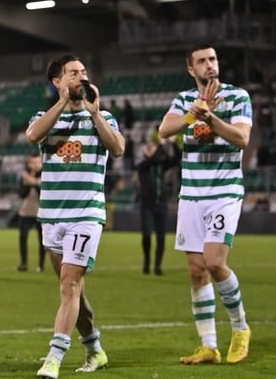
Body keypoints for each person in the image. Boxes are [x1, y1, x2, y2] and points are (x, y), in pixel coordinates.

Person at [26, 54, 125, 378]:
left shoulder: (102, 116)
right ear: (57, 81)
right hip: (52, 216)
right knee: (74, 293)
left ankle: (53, 358)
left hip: (86, 214)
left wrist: (95, 114)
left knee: (70, 285)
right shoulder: (45, 116)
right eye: (73, 73)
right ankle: (95, 350)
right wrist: (64, 103)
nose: (81, 77)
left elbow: (119, 147)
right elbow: (33, 136)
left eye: (83, 72)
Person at [158, 43, 252, 366]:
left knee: (214, 261)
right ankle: (209, 346)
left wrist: (211, 118)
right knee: (197, 271)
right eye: (202, 61)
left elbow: (242, 139)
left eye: (212, 59)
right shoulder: (185, 100)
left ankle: (240, 328)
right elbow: (164, 131)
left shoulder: (238, 97)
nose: (210, 65)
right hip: (191, 196)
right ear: (191, 69)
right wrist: (193, 113)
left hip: (224, 192)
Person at [136, 135, 181, 275]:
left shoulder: (161, 165)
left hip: (161, 204)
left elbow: (177, 158)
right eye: (150, 149)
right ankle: (147, 261)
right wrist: (162, 144)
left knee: (161, 237)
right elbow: (154, 159)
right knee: (147, 235)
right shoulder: (143, 165)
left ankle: (157, 266)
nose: (153, 151)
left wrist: (173, 143)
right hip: (147, 204)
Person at [16, 152, 44, 273]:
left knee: (42, 240)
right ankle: (24, 263)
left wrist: (33, 181)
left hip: (41, 212)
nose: (35, 165)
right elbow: (22, 193)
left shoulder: (45, 175)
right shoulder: (25, 176)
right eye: (33, 162)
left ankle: (41, 265)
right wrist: (35, 181)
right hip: (26, 211)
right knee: (23, 237)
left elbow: (42, 193)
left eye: (37, 162)